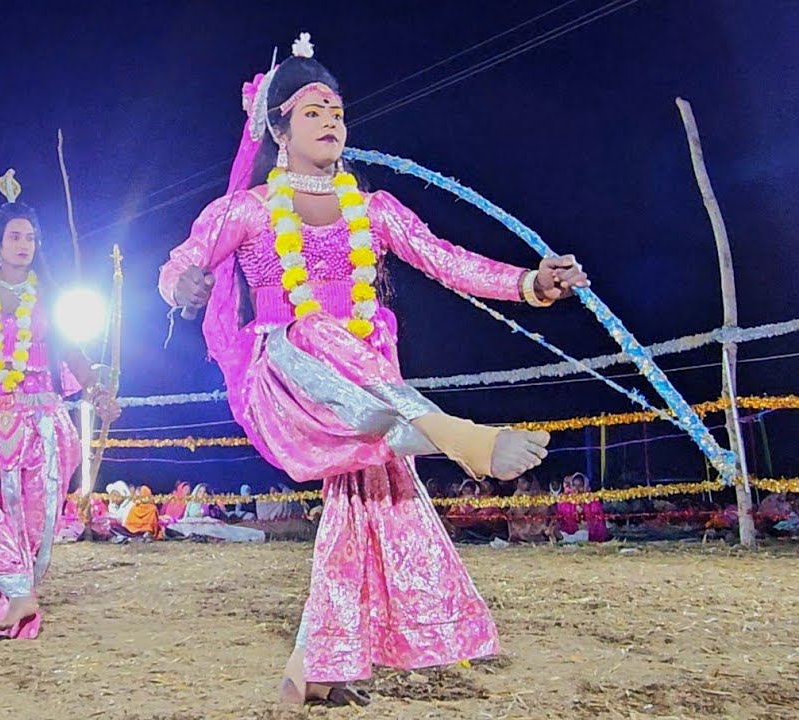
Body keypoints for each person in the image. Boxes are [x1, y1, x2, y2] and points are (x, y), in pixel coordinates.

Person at [157, 34, 589, 706]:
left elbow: (450, 261)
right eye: (312, 111)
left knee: (358, 511)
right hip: (291, 376)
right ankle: (459, 436)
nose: (331, 120)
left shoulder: (375, 210)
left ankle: (316, 666)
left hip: (373, 389)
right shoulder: (245, 213)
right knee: (321, 331)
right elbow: (179, 264)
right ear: (277, 129)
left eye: (337, 110)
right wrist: (181, 285)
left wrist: (533, 282)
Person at [0, 171, 121, 639]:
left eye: (31, 237)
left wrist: (97, 390)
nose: (24, 244)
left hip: (41, 412)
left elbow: (74, 354)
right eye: (15, 236)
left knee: (38, 514)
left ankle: (17, 599)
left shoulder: (50, 295)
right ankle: (16, 588)